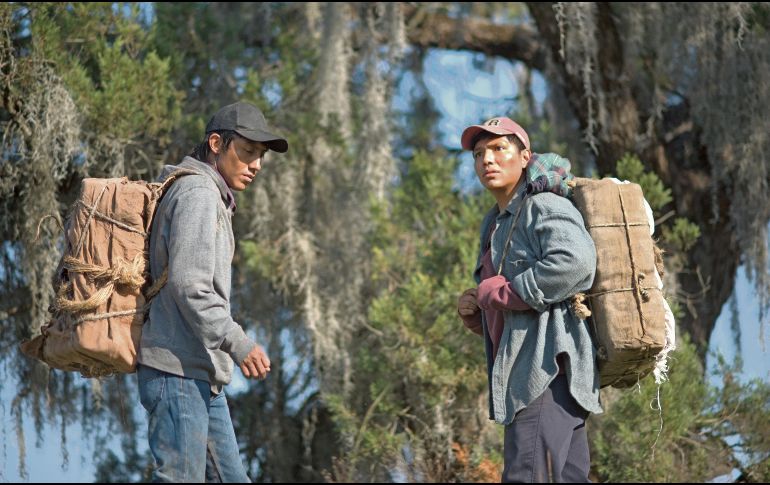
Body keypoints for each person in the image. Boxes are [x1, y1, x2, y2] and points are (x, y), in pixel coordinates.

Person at [137, 101, 288, 482]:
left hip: (199, 374)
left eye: (261, 156)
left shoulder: (207, 195)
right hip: (178, 372)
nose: (256, 165)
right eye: (248, 152)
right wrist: (237, 341)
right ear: (217, 143)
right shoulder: (199, 193)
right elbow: (190, 284)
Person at [456, 117, 602, 483]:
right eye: (478, 153)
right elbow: (517, 312)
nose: (486, 160)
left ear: (525, 157)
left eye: (498, 148)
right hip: (544, 379)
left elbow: (575, 263)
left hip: (544, 375)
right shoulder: (496, 223)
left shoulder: (541, 204)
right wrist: (480, 310)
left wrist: (501, 292)